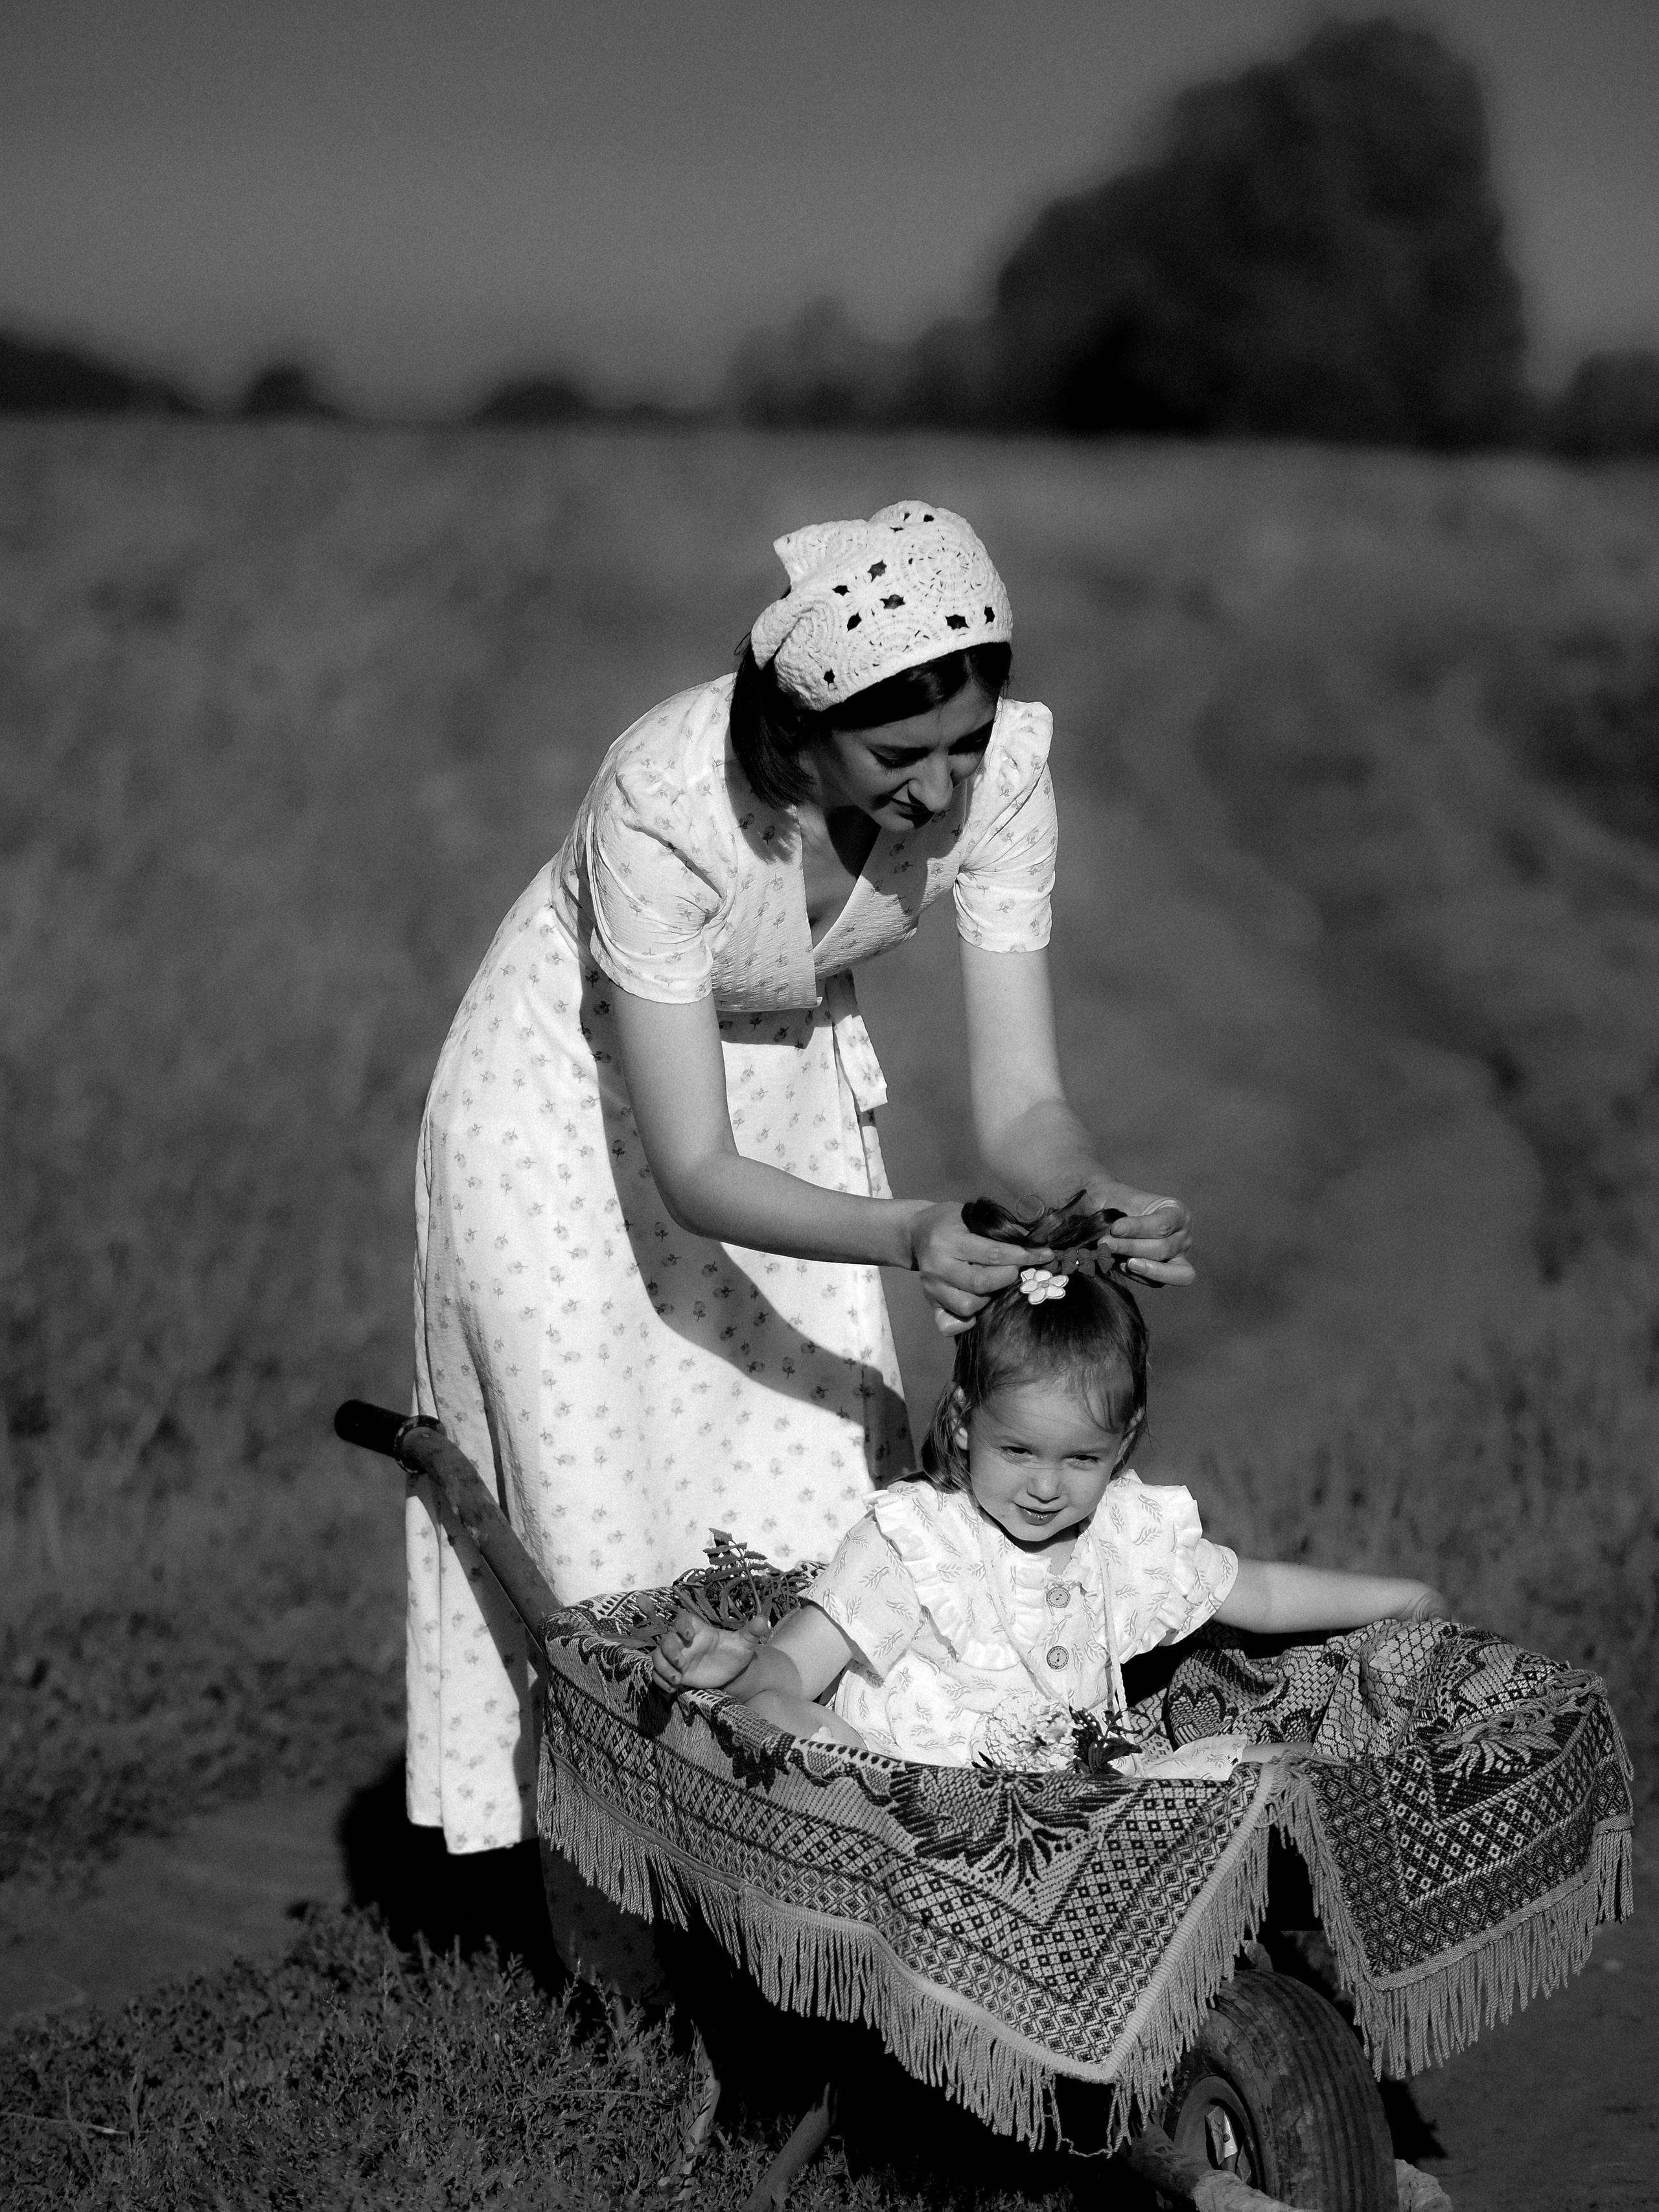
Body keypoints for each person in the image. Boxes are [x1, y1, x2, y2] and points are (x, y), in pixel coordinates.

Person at [408, 502, 1196, 1856]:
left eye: (963, 744)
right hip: (563, 1100)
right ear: (801, 725)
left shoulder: (1003, 778)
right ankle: (629, 1939)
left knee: (814, 1497)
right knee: (595, 1516)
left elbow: (1021, 1106)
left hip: (782, 1074)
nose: (940, 791)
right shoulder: (667, 795)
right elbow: (696, 1167)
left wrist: (1088, 1189)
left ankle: (812, 1893)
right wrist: (902, 1232)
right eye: (899, 754)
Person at [652, 1194, 1448, 1767]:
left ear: (1122, 1443)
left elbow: (1262, 1593)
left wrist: (1399, 1599)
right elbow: (799, 1666)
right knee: (777, 1715)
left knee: (1250, 1769)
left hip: (1066, 1803)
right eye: (1019, 1451)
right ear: (963, 1421)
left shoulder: (1124, 1536)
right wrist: (746, 1666)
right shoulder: (919, 1542)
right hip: (901, 1803)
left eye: (1080, 1459)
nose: (1045, 1486)